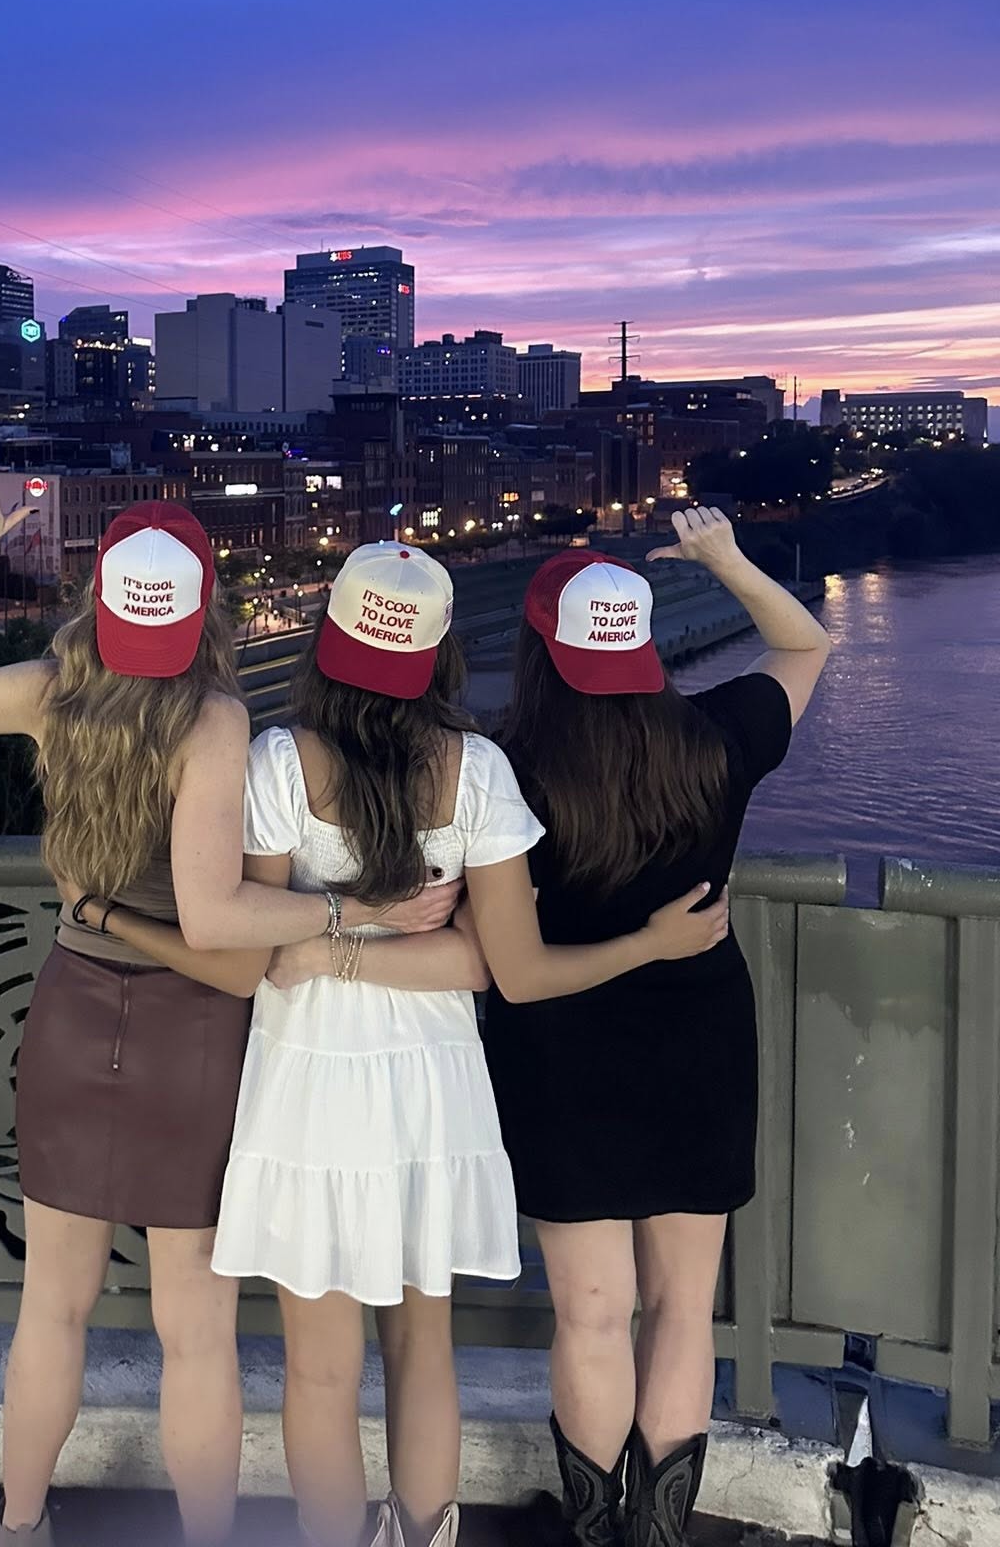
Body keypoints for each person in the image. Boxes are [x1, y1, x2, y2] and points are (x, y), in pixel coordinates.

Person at [201, 541, 730, 1547]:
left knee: (318, 1366)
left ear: (328, 640)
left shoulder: (279, 761)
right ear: (442, 653)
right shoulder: (475, 768)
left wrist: (328, 938)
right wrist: (401, 932)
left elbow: (264, 946)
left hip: (305, 1088)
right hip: (434, 1087)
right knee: (421, 1345)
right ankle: (428, 1534)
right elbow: (491, 964)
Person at [0, 496, 264, 1546]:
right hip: (190, 1028)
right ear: (204, 606)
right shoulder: (215, 719)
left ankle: (20, 1526)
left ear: (100, 601)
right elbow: (211, 913)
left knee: (50, 1305)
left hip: (69, 1007)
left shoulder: (53, 694)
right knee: (196, 1328)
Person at [481, 510, 831, 1547]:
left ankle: (594, 1532)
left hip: (560, 1049)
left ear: (540, 652)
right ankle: (659, 1537)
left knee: (592, 1313)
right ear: (636, 644)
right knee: (683, 1307)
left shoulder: (505, 770)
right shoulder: (718, 739)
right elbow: (807, 642)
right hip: (699, 1040)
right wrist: (725, 559)